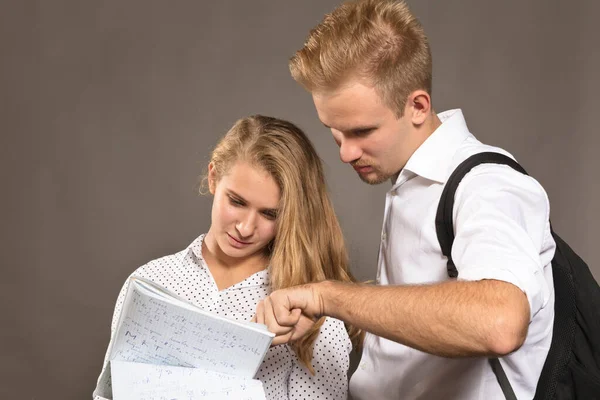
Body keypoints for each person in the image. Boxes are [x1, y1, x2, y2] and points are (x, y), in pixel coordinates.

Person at [254, 0, 556, 399]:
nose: (345, 152)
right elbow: (412, 329)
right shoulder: (410, 180)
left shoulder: (487, 186)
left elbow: (500, 321)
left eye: (362, 131)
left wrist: (327, 295)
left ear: (417, 106)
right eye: (335, 131)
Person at [93, 115, 362, 400]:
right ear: (213, 178)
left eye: (269, 214)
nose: (246, 228)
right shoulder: (150, 280)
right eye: (236, 202)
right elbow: (111, 393)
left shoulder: (310, 311)